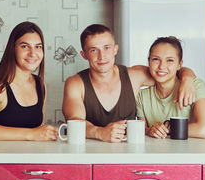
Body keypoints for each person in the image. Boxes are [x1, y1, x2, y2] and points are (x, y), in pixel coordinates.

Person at [62, 24, 196, 143]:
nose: (102, 56)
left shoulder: (134, 75)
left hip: (128, 154)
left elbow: (168, 71)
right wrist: (100, 132)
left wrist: (188, 79)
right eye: (93, 50)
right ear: (84, 54)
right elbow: (74, 121)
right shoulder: (75, 83)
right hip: (87, 156)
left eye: (107, 48)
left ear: (115, 49)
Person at [0, 21, 58, 141]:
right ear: (13, 49)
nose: (33, 53)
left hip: (30, 158)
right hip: (0, 158)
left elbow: (37, 129)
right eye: (25, 46)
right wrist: (31, 134)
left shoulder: (41, 85)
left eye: (38, 46)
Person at [137, 36, 205, 139]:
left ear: (179, 65)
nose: (162, 66)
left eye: (170, 60)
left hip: (191, 152)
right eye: (155, 59)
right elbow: (142, 130)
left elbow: (204, 130)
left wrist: (168, 129)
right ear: (149, 62)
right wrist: (150, 130)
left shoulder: (195, 86)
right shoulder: (141, 95)